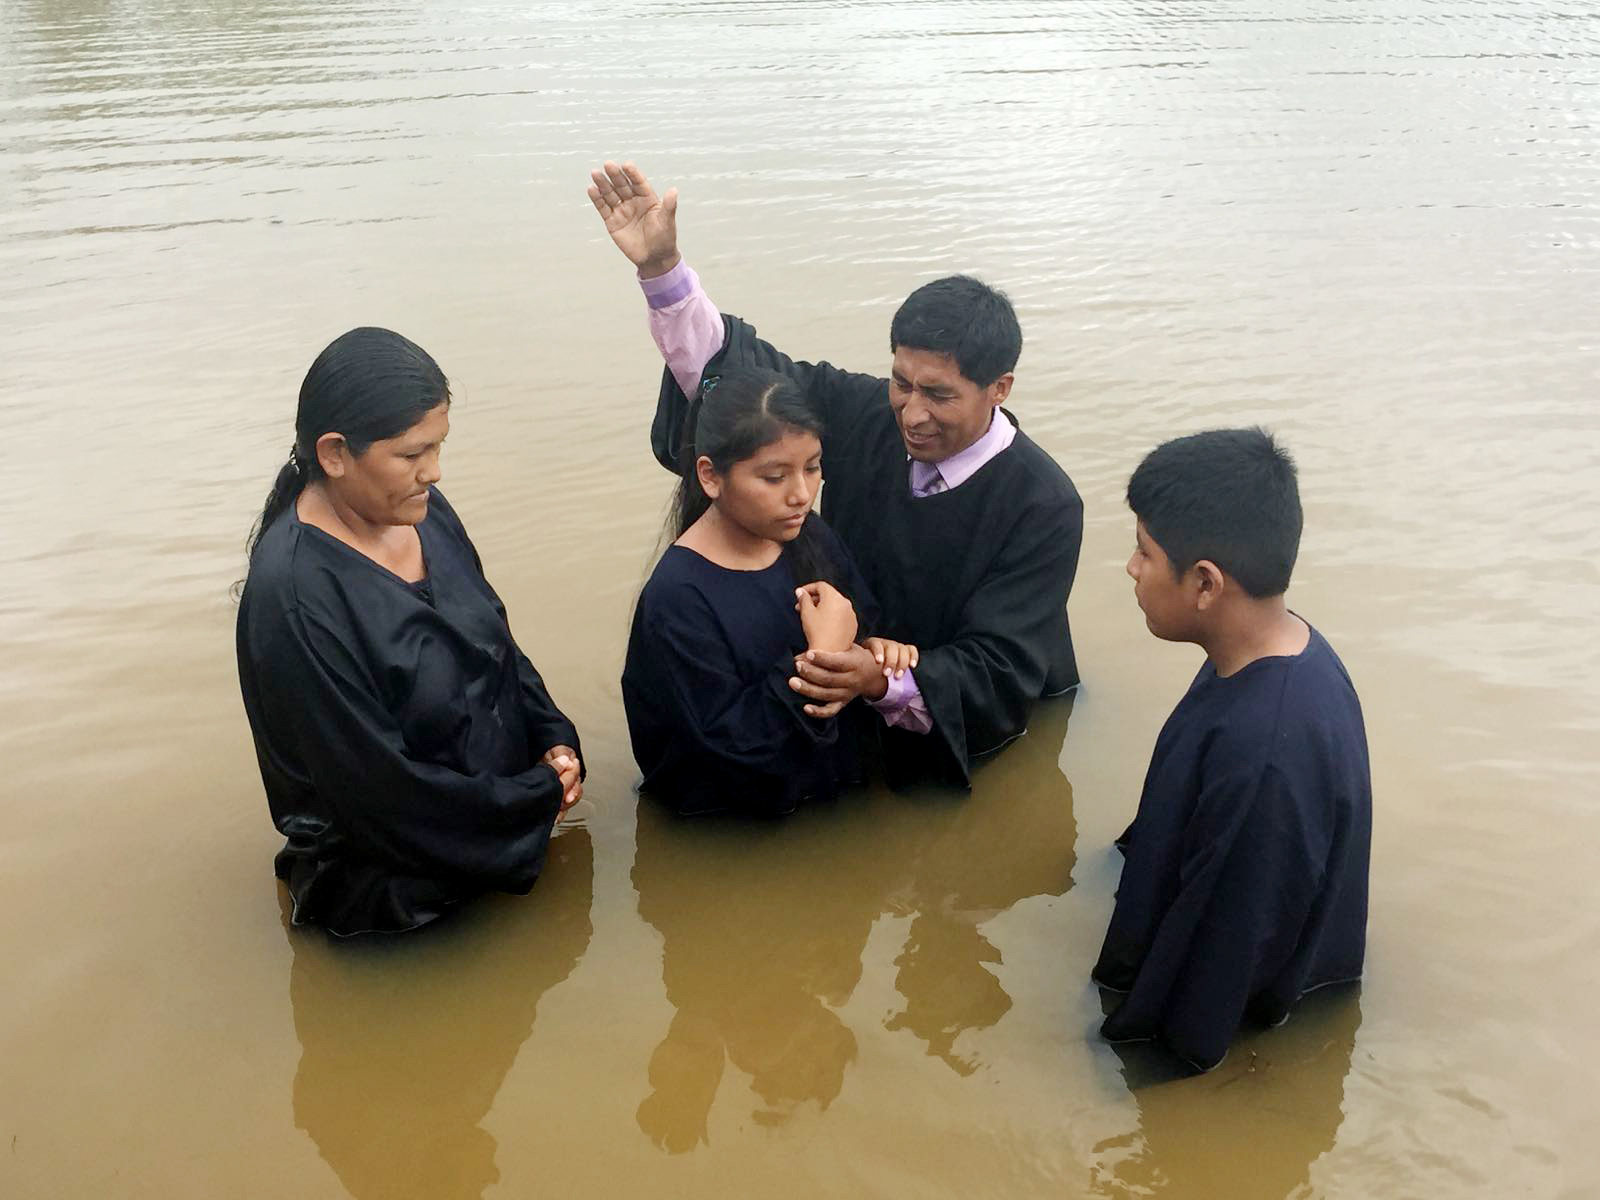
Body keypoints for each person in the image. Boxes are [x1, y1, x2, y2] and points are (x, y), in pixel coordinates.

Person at [588, 161, 1083, 788]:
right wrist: (663, 273)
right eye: (902, 382)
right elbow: (744, 383)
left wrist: (882, 676)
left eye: (940, 395)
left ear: (999, 387)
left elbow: (999, 665)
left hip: (946, 712)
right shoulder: (867, 410)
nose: (913, 413)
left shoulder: (1044, 503)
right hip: (840, 686)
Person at [236, 327, 582, 936]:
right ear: (335, 453)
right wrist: (532, 798)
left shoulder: (421, 512)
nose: (436, 472)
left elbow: (494, 639)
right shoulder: (296, 599)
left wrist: (550, 736)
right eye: (411, 454)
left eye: (439, 446)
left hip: (499, 830)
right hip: (398, 900)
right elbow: (377, 795)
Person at [1091, 428, 1372, 1072]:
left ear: (1206, 584)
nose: (1132, 568)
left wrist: (1133, 1057)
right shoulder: (1274, 649)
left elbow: (1215, 970)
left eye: (1144, 552)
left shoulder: (1265, 756)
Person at [622, 365, 905, 817]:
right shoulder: (678, 597)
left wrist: (874, 650)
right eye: (775, 477)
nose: (801, 494)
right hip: (736, 825)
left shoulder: (809, 535)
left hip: (831, 802)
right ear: (711, 476)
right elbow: (734, 746)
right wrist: (822, 658)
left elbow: (861, 617)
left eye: (812, 468)